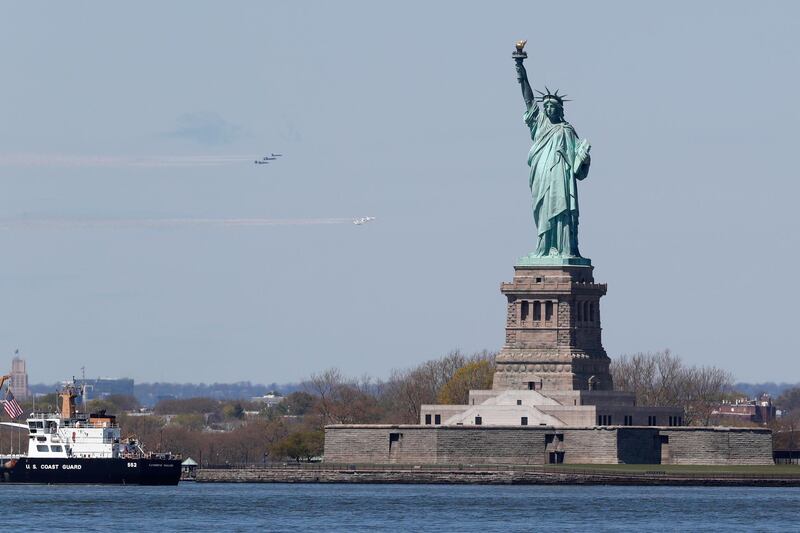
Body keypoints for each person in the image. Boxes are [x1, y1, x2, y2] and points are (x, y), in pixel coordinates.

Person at [515, 58, 591, 258]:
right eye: (546, 106)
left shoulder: (567, 130)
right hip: (542, 175)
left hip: (561, 178)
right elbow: (528, 100)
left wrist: (584, 157)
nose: (548, 109)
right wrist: (521, 71)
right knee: (543, 211)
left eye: (552, 106)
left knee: (562, 211)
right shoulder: (539, 123)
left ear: (559, 109)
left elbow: (578, 164)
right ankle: (544, 248)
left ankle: (565, 248)